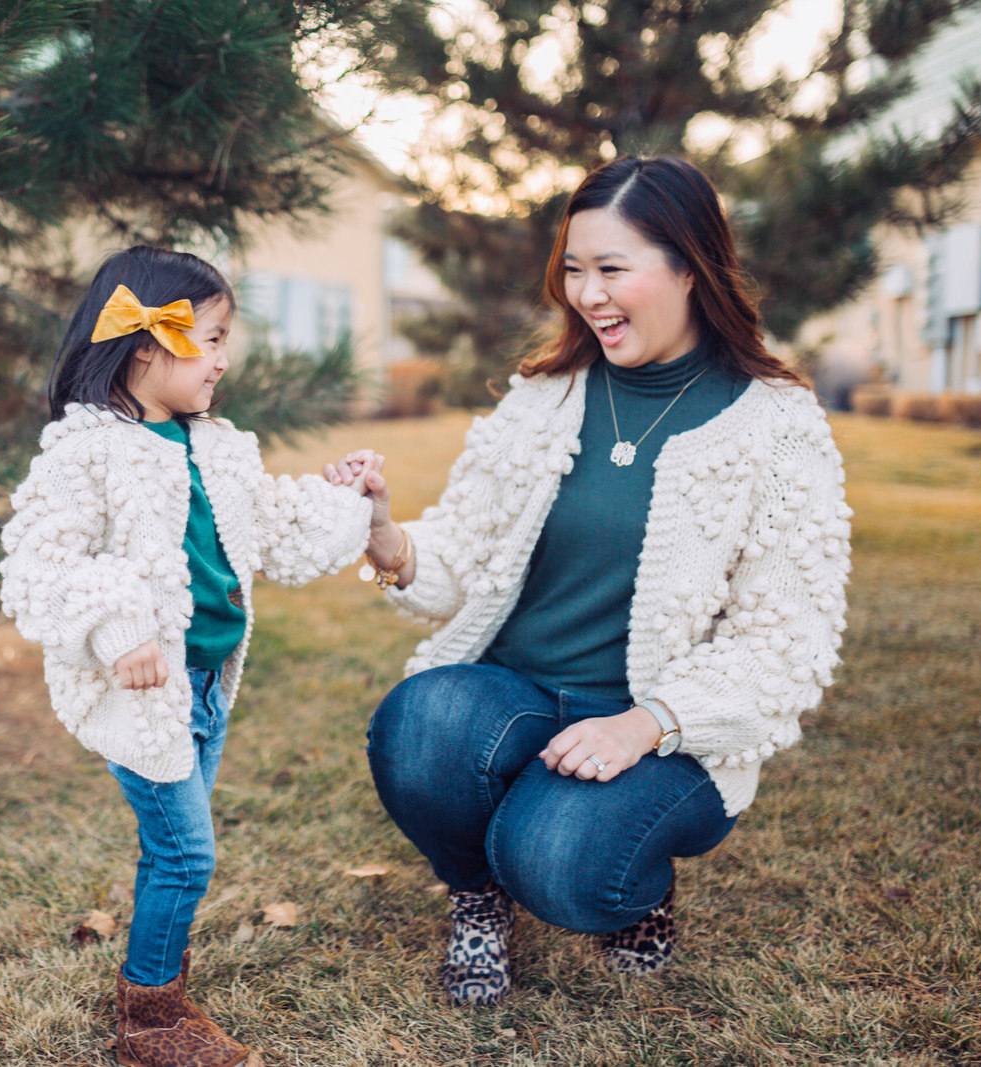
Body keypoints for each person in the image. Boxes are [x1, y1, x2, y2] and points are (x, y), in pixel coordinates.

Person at [330, 156, 852, 1006]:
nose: (587, 293)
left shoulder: (777, 428)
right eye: (574, 269)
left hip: (663, 732)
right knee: (419, 726)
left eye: (613, 269)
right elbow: (466, 546)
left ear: (690, 265)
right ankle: (478, 897)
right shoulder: (545, 395)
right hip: (519, 689)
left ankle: (630, 894)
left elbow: (786, 645)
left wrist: (645, 724)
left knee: (564, 866)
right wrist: (388, 535)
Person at [0, 245, 376, 1066]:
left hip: (205, 689)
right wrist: (118, 626)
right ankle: (151, 1016)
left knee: (172, 843)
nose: (223, 359)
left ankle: (159, 975)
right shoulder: (86, 451)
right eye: (209, 338)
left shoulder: (220, 445)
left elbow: (276, 527)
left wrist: (345, 499)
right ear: (147, 343)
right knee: (185, 850)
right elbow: (38, 565)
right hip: (143, 694)